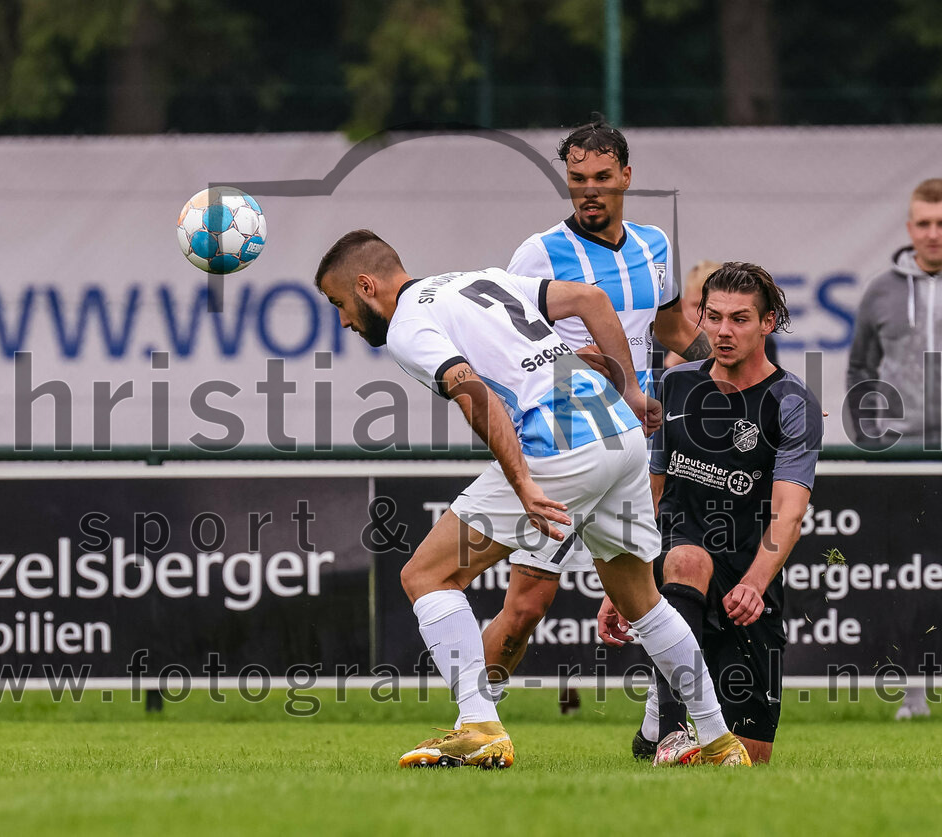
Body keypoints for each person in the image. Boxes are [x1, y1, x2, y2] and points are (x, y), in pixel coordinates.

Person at [315, 229, 751, 768]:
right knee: (644, 600)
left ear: (366, 284)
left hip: (559, 445)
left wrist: (522, 482)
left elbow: (472, 392)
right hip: (620, 434)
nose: (343, 321)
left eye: (340, 304)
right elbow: (591, 299)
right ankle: (718, 742)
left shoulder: (408, 325)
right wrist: (632, 392)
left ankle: (477, 724)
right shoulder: (478, 278)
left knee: (427, 576)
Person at [478, 119, 714, 709]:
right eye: (577, 178)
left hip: (633, 448)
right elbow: (504, 345)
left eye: (602, 177)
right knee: (528, 605)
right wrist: (574, 359)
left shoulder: (653, 244)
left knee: (647, 601)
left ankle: (691, 726)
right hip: (564, 441)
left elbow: (669, 328)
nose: (589, 190)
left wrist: (730, 375)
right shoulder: (539, 253)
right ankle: (476, 717)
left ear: (626, 177)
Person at [599, 262, 823, 764]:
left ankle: (660, 713)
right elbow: (647, 494)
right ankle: (672, 722)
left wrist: (755, 582)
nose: (723, 331)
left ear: (768, 323)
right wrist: (622, 582)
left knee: (749, 759)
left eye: (740, 319)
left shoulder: (792, 404)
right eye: (714, 316)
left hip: (747, 577)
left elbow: (788, 514)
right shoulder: (673, 384)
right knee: (689, 559)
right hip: (677, 559)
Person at [846, 177, 942, 719]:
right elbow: (861, 366)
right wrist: (866, 438)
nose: (933, 234)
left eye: (941, 224)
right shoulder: (881, 291)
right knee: (909, 579)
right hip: (903, 461)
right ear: (910, 229)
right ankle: (913, 691)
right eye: (924, 223)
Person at [663, 260, 779, 369]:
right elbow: (653, 387)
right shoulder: (664, 340)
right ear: (683, 305)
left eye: (739, 319)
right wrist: (670, 364)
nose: (702, 315)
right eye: (696, 305)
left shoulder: (758, 339)